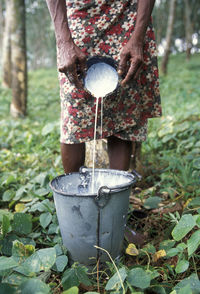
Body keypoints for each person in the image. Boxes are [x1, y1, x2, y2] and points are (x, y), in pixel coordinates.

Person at [46, 0, 162, 173]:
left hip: (128, 14)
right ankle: (73, 197)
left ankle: (115, 194)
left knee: (122, 110)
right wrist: (63, 42)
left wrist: (138, 38)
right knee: (75, 112)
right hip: (80, 15)